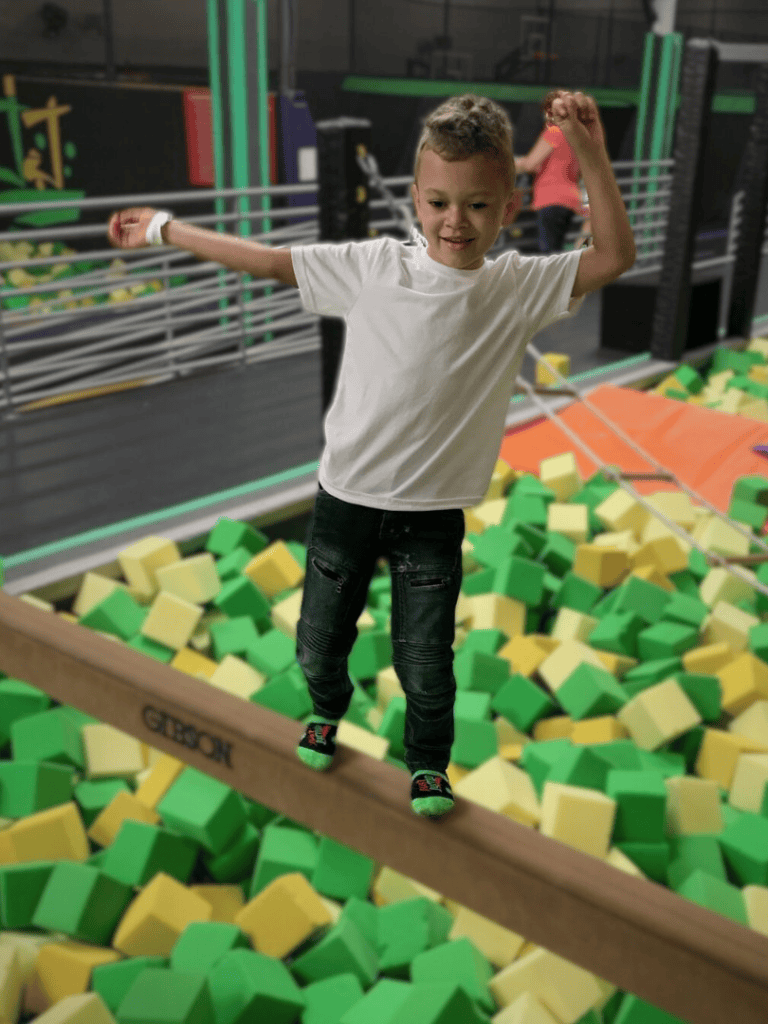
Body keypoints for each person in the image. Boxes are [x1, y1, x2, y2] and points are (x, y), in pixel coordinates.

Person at [107, 89, 635, 821]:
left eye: (479, 206)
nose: (457, 221)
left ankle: (427, 765)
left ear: (508, 209)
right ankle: (325, 710)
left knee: (425, 663)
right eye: (441, 202)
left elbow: (614, 254)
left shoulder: (517, 285)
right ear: (417, 201)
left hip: (430, 517)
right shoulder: (374, 265)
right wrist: (167, 229)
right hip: (346, 501)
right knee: (319, 640)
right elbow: (266, 262)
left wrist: (591, 154)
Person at [515, 89, 591, 253]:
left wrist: (508, 165)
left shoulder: (555, 132)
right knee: (556, 248)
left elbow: (530, 164)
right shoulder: (578, 135)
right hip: (571, 200)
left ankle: (559, 278)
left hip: (551, 198)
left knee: (549, 252)